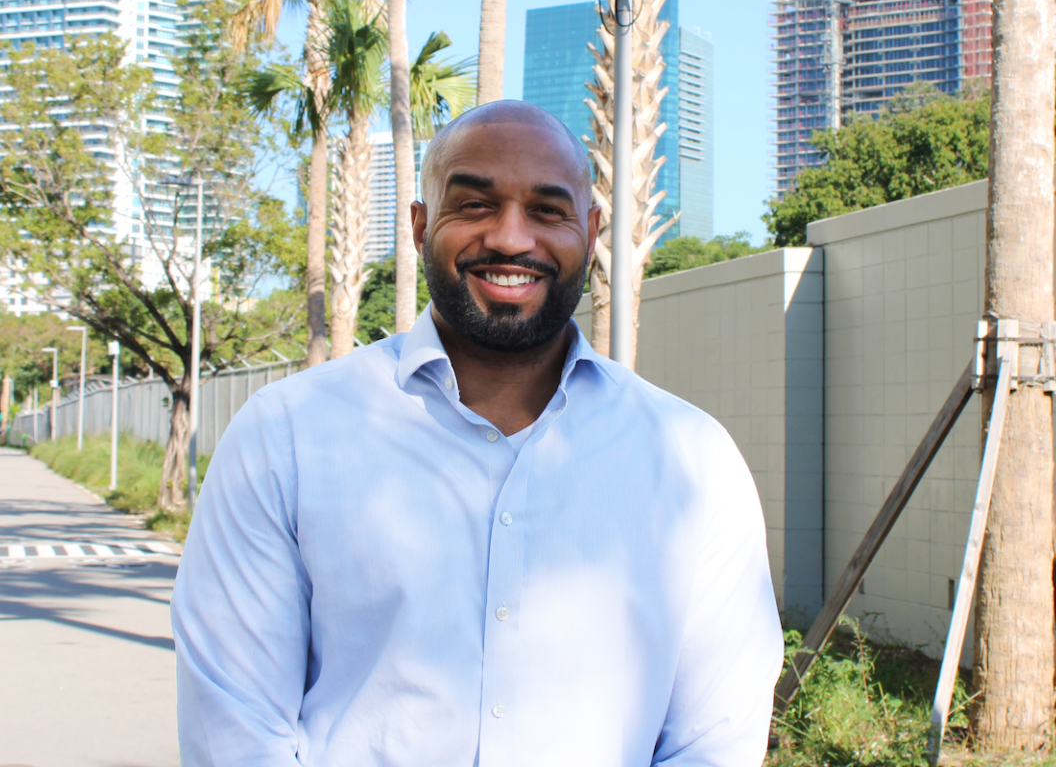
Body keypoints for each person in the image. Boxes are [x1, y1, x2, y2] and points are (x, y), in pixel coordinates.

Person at [172, 101, 781, 767]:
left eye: (548, 210)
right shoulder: (284, 437)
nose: (512, 239)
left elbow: (714, 739)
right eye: (475, 206)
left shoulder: (694, 462)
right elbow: (235, 729)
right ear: (420, 225)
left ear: (594, 231)